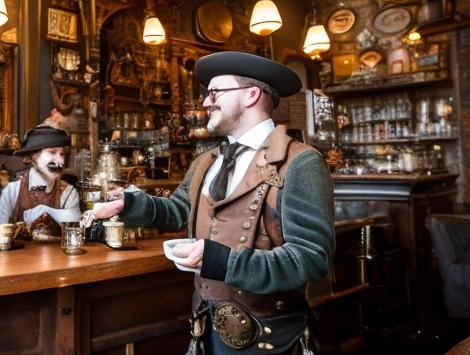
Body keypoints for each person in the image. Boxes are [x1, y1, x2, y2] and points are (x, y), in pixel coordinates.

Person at [91, 51, 335, 354]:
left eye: (216, 92)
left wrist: (223, 261)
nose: (206, 101)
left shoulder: (300, 162)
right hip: (206, 330)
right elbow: (181, 208)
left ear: (252, 94)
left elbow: (311, 258)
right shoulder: (207, 160)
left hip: (270, 339)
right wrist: (130, 205)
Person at [0, 125, 81, 241]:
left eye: (62, 154)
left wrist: (47, 211)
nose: (60, 161)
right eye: (52, 152)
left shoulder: (68, 193)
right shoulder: (11, 192)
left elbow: (75, 234)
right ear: (31, 157)